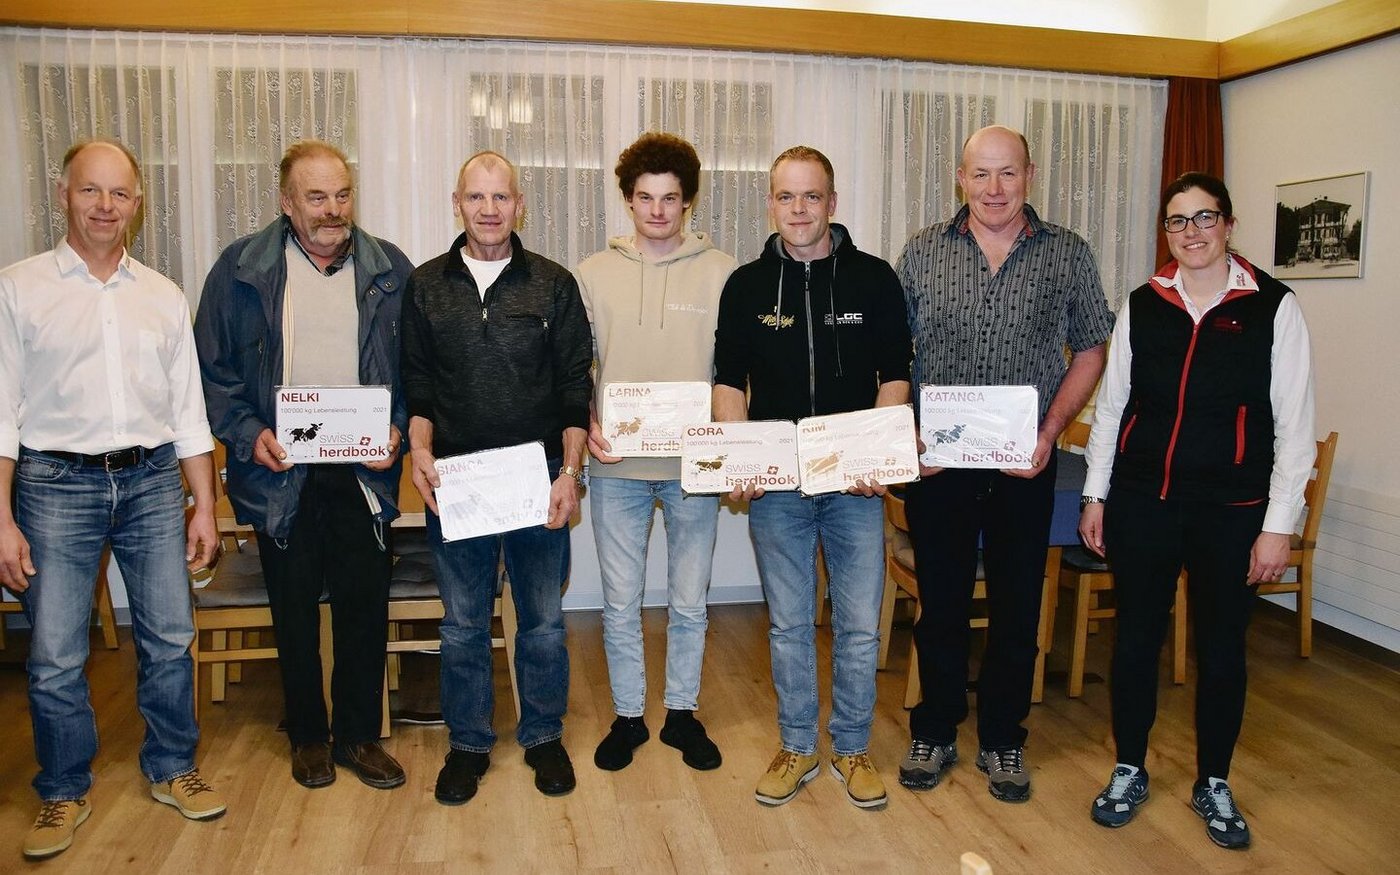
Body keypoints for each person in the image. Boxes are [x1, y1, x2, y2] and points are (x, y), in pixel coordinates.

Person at [0, 139, 226, 861]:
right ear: (63, 194)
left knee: (170, 636)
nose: (105, 206)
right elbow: (1, 413)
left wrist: (204, 505)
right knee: (55, 652)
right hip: (52, 485)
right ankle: (63, 786)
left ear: (138, 202)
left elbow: (188, 410)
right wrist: (2, 519)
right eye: (90, 190)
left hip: (153, 481)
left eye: (119, 193)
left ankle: (172, 765)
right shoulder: (18, 289)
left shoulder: (162, 295)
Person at [1079, 172, 1314, 850]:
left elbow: (1295, 427)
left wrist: (1278, 526)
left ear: (1229, 224)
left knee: (1221, 650)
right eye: (1178, 221)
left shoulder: (1274, 307)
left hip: (1231, 510)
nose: (1192, 232)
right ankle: (1130, 767)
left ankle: (1214, 780)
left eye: (1205, 217)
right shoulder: (1143, 304)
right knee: (1134, 641)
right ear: (1167, 233)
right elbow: (1111, 408)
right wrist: (1095, 494)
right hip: (1142, 503)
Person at [896, 124, 1113, 802]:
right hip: (941, 468)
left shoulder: (1068, 253)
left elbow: (1092, 349)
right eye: (981, 173)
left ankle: (1003, 738)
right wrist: (910, 435)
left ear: (1030, 174)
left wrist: (1050, 431)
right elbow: (893, 356)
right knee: (942, 607)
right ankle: (934, 729)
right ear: (960, 177)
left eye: (1008, 173)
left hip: (1026, 464)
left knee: (1019, 609)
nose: (994, 188)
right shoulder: (923, 251)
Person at [194, 140, 413, 791]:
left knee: (363, 607)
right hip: (279, 470)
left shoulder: (390, 270)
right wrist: (249, 433)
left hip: (363, 473)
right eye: (316, 197)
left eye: (341, 194)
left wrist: (399, 429)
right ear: (287, 202)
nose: (332, 209)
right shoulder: (240, 271)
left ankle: (358, 736)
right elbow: (212, 374)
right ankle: (309, 736)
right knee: (292, 610)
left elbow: (418, 371)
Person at [712, 145, 912, 809]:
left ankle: (851, 747)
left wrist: (876, 456)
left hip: (854, 487)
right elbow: (728, 382)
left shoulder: (874, 279)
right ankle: (798, 745)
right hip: (779, 490)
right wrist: (739, 458)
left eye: (812, 196)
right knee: (789, 626)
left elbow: (896, 375)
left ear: (832, 202)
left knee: (858, 626)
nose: (799, 209)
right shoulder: (745, 286)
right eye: (786, 196)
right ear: (771, 202)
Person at [400, 151, 593, 806]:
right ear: (457, 202)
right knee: (462, 624)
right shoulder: (426, 286)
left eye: (501, 197)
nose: (489, 209)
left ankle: (543, 735)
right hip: (457, 482)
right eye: (476, 197)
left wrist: (570, 472)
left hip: (538, 480)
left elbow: (574, 389)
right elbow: (418, 387)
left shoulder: (554, 285)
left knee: (542, 621)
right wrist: (419, 452)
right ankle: (469, 743)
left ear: (520, 205)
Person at [575, 133, 735, 772]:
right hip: (617, 466)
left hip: (696, 465)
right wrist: (587, 420)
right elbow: (576, 367)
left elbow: (734, 370)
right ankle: (627, 716)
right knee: (620, 601)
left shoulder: (724, 272)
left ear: (688, 200)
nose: (658, 210)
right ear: (628, 200)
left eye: (670, 198)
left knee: (690, 601)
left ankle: (682, 715)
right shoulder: (592, 273)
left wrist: (731, 439)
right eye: (646, 198)